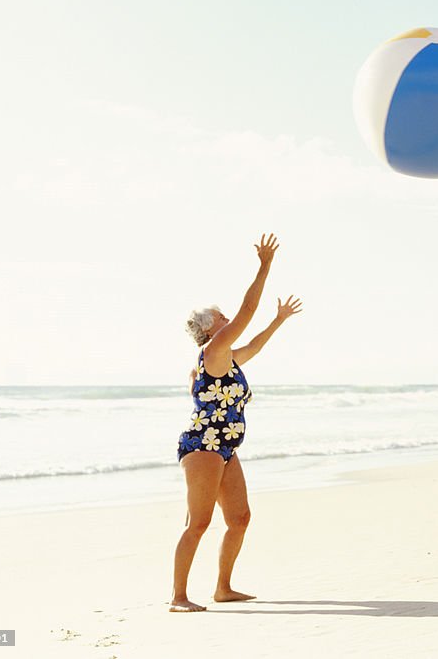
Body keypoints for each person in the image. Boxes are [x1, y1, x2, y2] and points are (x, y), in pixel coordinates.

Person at [170, 233, 303, 612]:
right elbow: (246, 311)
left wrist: (277, 321)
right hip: (202, 447)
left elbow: (254, 346)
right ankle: (178, 597)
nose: (230, 319)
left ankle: (223, 588)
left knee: (240, 518)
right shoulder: (212, 352)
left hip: (225, 448)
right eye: (223, 317)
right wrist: (264, 266)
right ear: (212, 328)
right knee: (198, 523)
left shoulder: (224, 357)